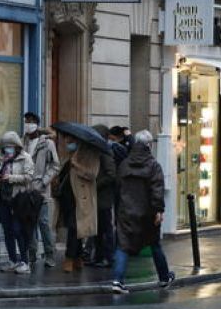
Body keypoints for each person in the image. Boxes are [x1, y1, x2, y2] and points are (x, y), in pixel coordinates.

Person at [112, 130, 175, 294]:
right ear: (149, 145)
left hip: (126, 211)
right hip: (147, 212)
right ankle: (164, 277)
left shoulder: (125, 164)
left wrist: (117, 210)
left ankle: (117, 280)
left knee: (123, 245)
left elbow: (117, 189)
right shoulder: (153, 165)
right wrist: (159, 210)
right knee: (154, 244)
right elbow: (157, 189)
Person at [55, 134, 100, 273]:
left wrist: (77, 165)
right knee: (75, 229)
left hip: (81, 198)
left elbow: (92, 174)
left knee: (74, 228)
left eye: (71, 140)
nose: (68, 143)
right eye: (67, 140)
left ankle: (69, 257)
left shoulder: (90, 155)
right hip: (67, 198)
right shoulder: (69, 155)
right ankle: (78, 257)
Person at [0, 131, 35, 274]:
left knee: (18, 230)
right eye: (5, 146)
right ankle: (12, 260)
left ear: (17, 146)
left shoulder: (25, 158)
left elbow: (29, 177)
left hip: (18, 200)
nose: (8, 149)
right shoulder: (0, 158)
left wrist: (11, 178)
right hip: (3, 199)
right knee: (7, 230)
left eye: (10, 146)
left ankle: (25, 262)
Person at [22, 112, 60, 268]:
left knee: (43, 223)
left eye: (30, 121)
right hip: (25, 190)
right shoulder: (23, 142)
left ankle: (50, 254)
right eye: (26, 121)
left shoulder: (47, 143)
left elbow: (55, 166)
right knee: (28, 223)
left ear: (36, 124)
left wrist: (44, 181)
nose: (28, 124)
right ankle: (32, 254)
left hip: (40, 190)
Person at [90, 125, 117, 268]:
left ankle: (108, 257)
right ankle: (98, 257)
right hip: (97, 197)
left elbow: (111, 174)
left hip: (104, 198)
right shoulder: (98, 151)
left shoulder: (106, 152)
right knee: (98, 230)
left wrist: (96, 184)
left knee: (106, 229)